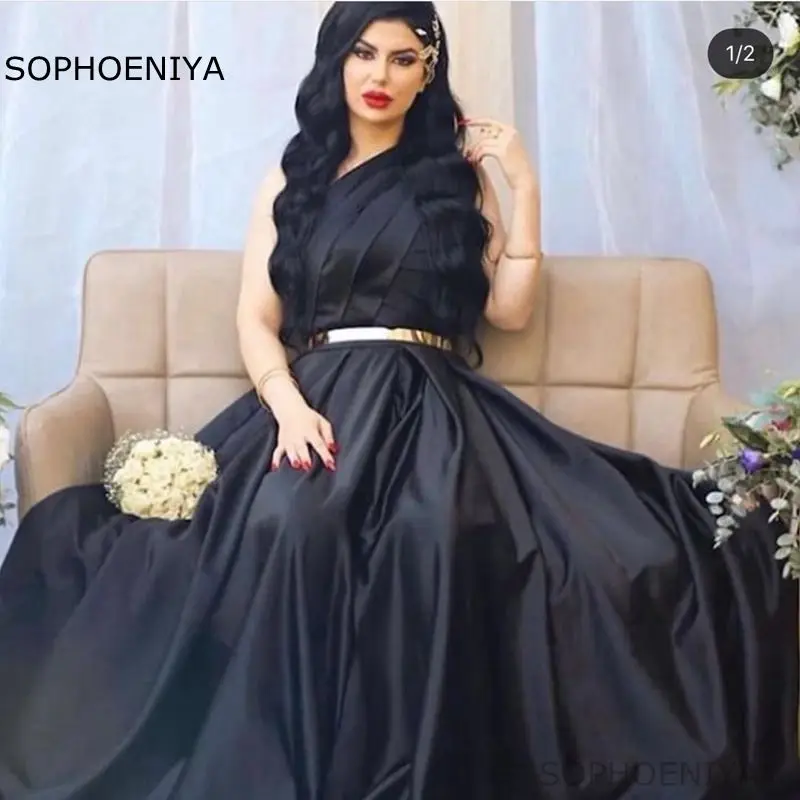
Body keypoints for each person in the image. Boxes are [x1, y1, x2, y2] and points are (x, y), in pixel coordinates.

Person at [0, 2, 799, 798]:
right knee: (288, 524)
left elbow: (508, 310)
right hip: (314, 398)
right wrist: (287, 407)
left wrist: (520, 182)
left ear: (428, 73)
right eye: (363, 54)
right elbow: (255, 317)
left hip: (432, 405)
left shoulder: (454, 179)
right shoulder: (293, 178)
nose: (379, 75)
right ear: (336, 63)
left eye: (402, 59)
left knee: (436, 532)